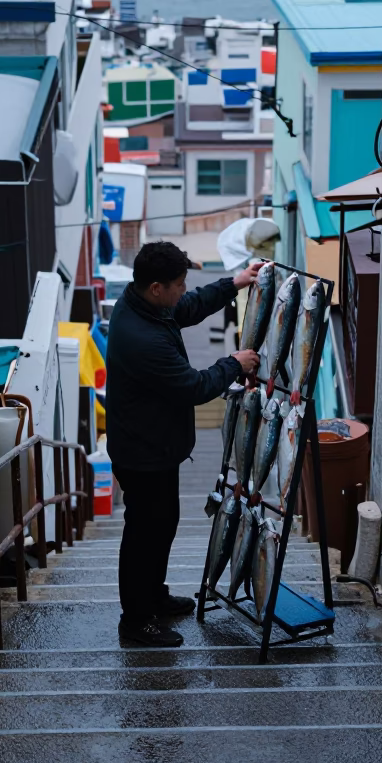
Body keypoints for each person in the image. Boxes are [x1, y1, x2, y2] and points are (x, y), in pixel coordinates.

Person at [106, 241, 262, 647]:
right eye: (178, 284)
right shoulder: (144, 339)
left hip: (155, 447)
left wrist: (235, 283)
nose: (183, 289)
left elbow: (188, 306)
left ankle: (153, 595)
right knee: (142, 536)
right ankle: (136, 623)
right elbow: (193, 386)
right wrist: (234, 363)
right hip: (143, 454)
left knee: (163, 526)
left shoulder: (143, 302)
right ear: (156, 287)